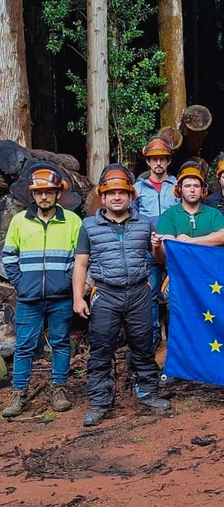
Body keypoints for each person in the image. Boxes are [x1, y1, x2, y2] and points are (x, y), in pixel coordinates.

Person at [72, 164, 171, 427]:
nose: (117, 197)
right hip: (106, 293)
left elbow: (158, 259)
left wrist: (157, 248)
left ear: (131, 196)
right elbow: (81, 264)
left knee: (143, 345)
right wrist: (78, 298)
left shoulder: (144, 224)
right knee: (102, 348)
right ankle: (99, 402)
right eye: (111, 193)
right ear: (102, 197)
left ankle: (148, 393)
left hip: (139, 292)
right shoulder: (89, 226)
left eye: (122, 193)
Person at [1, 163, 82, 418]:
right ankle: (19, 393)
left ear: (58, 193)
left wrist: (68, 282)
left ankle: (59, 388)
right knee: (24, 345)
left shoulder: (72, 221)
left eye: (49, 191)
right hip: (29, 297)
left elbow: (79, 258)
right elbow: (8, 256)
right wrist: (20, 283)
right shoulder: (19, 221)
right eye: (39, 192)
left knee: (60, 343)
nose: (44, 196)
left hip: (61, 297)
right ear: (32, 194)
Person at [134, 135, 179, 346]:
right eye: (154, 159)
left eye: (163, 158)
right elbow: (132, 218)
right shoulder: (137, 188)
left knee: (174, 295)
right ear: (148, 162)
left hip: (174, 251)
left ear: (169, 160)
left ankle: (175, 338)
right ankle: (152, 338)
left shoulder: (177, 186)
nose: (158, 163)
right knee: (149, 294)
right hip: (147, 251)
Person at [155, 162, 224, 251]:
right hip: (179, 264)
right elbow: (169, 247)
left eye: (196, 186)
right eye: (187, 186)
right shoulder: (169, 215)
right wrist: (210, 238)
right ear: (179, 189)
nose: (192, 190)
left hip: (206, 264)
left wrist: (191, 241)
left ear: (202, 189)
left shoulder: (214, 213)